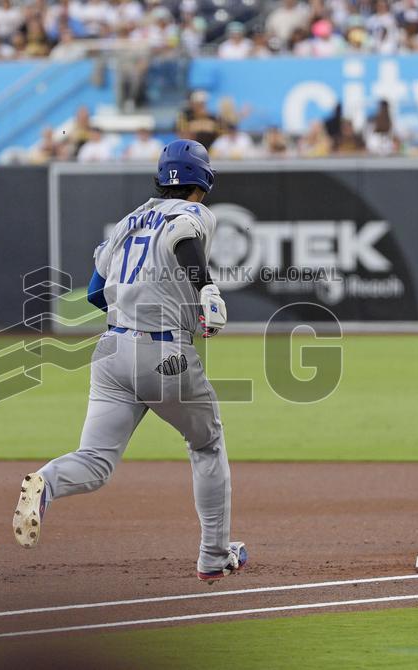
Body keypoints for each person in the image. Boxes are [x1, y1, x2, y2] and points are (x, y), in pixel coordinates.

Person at [12, 140, 247, 583]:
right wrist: (206, 290)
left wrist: (133, 313)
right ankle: (214, 557)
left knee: (95, 461)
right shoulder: (195, 213)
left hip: (111, 353)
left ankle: (46, 482)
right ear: (204, 181)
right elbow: (182, 237)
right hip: (165, 353)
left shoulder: (127, 221)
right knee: (207, 444)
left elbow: (95, 294)